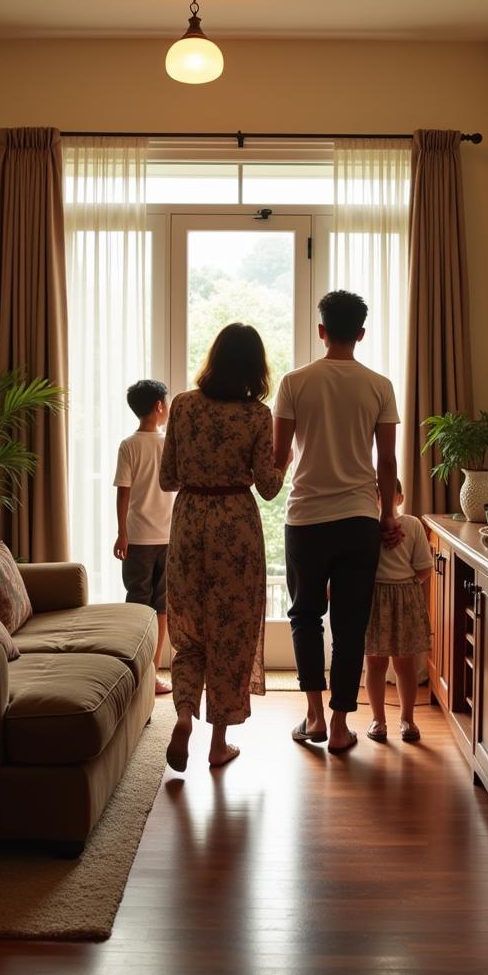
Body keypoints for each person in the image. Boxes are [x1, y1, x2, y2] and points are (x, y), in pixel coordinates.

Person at [273, 290, 402, 754]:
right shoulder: (379, 385)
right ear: (361, 333)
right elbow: (386, 460)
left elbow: (278, 457)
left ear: (322, 330)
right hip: (358, 519)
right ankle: (342, 724)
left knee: (305, 615)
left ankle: (312, 714)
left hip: (306, 516)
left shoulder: (294, 382)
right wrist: (388, 513)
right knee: (350, 624)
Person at [160, 324, 287, 771]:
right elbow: (269, 489)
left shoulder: (183, 405)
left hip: (191, 522)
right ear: (255, 367)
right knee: (231, 637)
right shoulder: (256, 416)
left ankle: (181, 716)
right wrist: (283, 458)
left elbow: (167, 479)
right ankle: (218, 744)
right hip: (235, 526)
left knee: (190, 635)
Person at [113, 379, 174, 695]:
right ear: (159, 406)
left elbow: (123, 495)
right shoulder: (169, 444)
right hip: (165, 538)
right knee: (160, 605)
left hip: (137, 538)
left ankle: (142, 674)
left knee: (137, 604)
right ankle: (151, 670)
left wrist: (122, 534)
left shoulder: (128, 444)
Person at [363, 479, 433, 744]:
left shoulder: (413, 525)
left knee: (405, 665)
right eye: (377, 494)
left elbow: (424, 567)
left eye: (388, 494)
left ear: (400, 499)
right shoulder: (368, 527)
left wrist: (406, 587)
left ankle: (407, 719)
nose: (382, 499)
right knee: (375, 662)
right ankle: (378, 720)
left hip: (403, 598)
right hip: (376, 598)